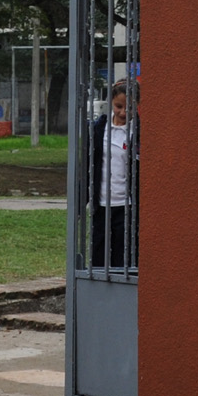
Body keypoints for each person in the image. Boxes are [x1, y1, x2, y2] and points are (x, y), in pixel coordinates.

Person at [81, 79, 137, 269]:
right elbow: (89, 165)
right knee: (98, 253)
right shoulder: (98, 130)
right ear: (111, 102)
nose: (122, 112)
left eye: (128, 108)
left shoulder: (138, 132)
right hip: (102, 203)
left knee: (124, 256)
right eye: (118, 106)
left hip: (126, 205)